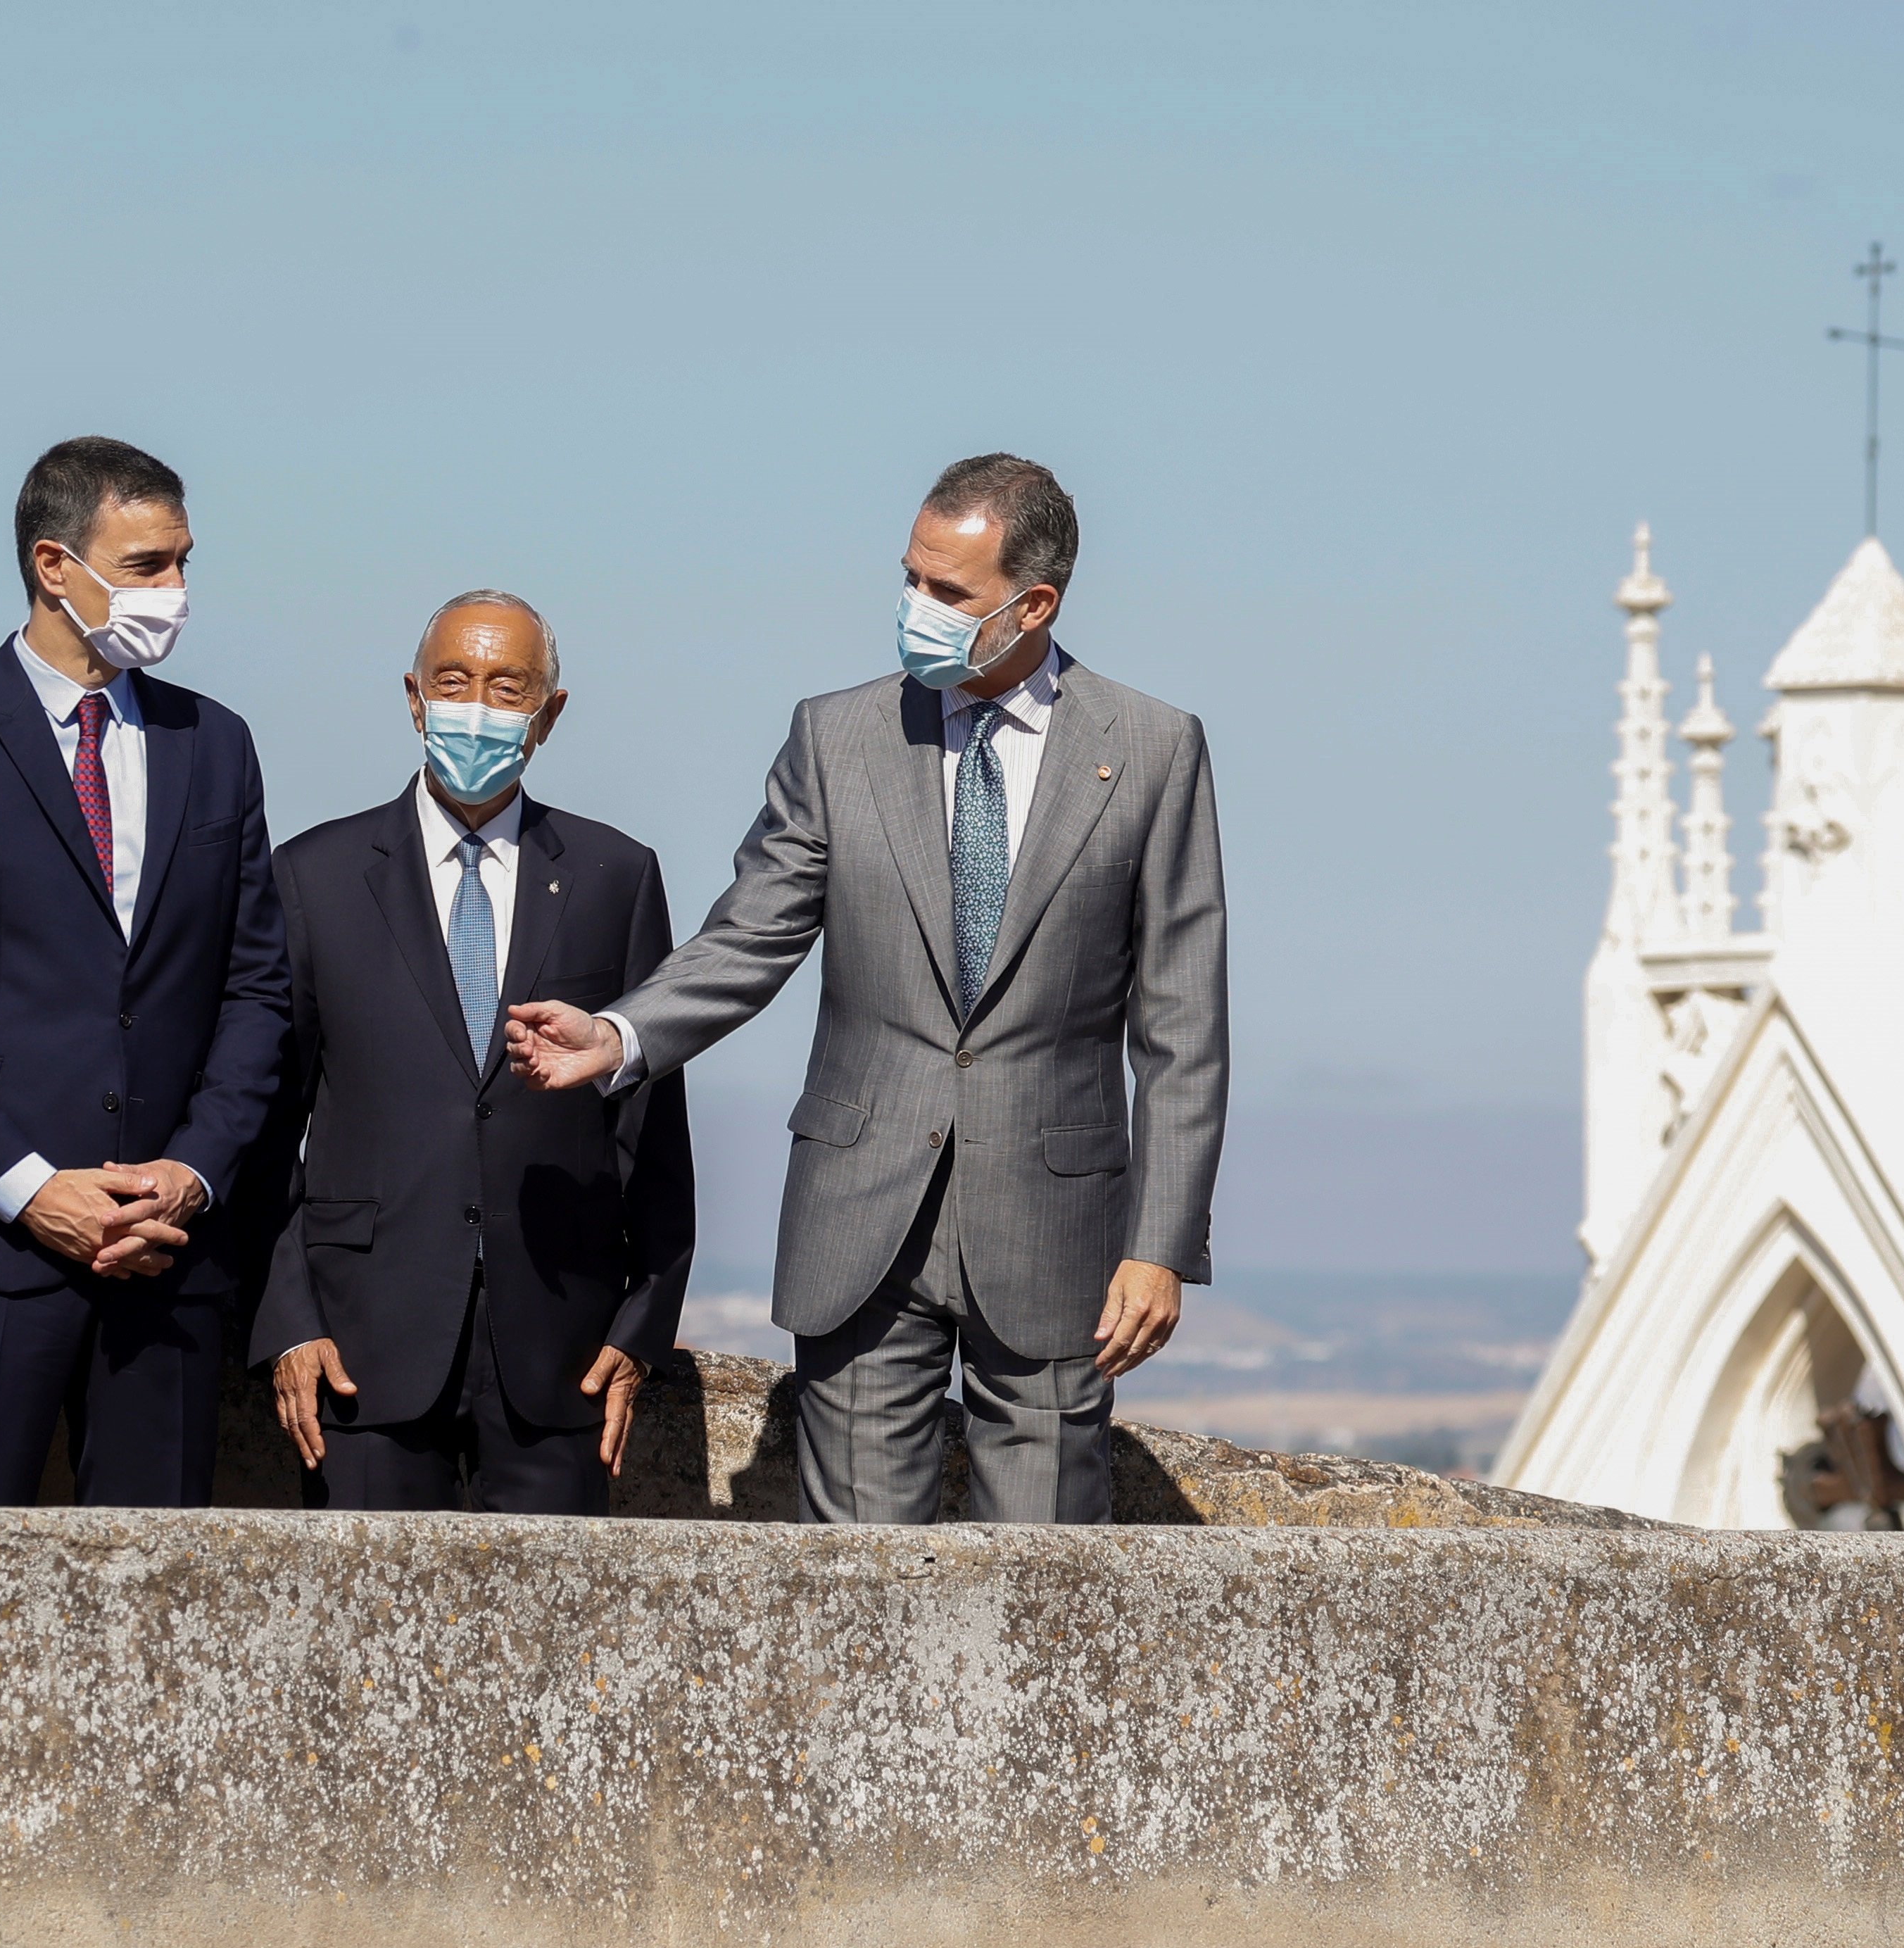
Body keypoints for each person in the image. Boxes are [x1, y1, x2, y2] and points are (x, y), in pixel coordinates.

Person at [505, 454, 1227, 1524]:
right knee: (856, 1591)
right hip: (860, 1222)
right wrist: (621, 1034)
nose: (913, 609)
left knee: (1046, 1592)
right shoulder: (836, 735)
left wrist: (1160, 1245)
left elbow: (1183, 1025)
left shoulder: (1156, 749)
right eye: (910, 578)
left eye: (948, 593)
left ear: (1032, 606)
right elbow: (754, 932)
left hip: (1057, 1234)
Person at [0, 436, 288, 1507]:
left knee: (155, 1611)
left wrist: (194, 1171)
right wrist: (33, 1191)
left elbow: (256, 989)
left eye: (181, 563)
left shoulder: (215, 745)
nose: (174, 593)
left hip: (167, 1256)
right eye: (145, 566)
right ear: (53, 565)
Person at [247, 591, 693, 1512]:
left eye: (507, 688)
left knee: (555, 1643)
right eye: (455, 683)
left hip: (559, 1354)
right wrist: (286, 1322)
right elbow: (262, 1127)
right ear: (414, 698)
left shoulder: (616, 876)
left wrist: (641, 1327)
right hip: (360, 1344)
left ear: (549, 713)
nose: (477, 709)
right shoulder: (313, 878)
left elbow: (652, 1123)